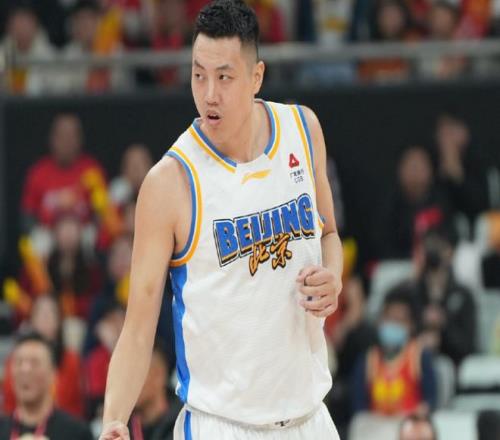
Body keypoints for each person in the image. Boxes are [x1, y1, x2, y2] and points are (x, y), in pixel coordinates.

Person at [99, 0, 343, 439]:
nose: (209, 93)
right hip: (222, 425)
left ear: (256, 77)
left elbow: (328, 234)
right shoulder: (169, 182)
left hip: (310, 418)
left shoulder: (304, 131)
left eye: (224, 77)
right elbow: (137, 329)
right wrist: (114, 419)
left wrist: (335, 278)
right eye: (199, 75)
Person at [351, 288, 437, 416]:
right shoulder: (368, 359)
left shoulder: (420, 356)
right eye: (389, 319)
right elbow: (358, 407)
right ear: (380, 321)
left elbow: (430, 401)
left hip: (408, 423)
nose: (393, 325)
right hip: (376, 425)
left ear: (411, 325)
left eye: (399, 320)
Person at [20, 113, 106, 232]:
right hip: (48, 235)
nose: (67, 142)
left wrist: (93, 231)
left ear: (80, 140)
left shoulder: (92, 170)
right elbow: (27, 214)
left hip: (83, 236)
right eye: (62, 136)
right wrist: (38, 234)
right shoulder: (38, 172)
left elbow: (102, 212)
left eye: (71, 136)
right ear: (52, 139)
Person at [3, 295, 85, 417]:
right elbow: (9, 405)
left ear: (59, 320)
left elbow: (76, 405)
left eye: (50, 312)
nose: (45, 317)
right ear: (31, 320)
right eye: (40, 312)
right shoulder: (16, 360)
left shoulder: (71, 360)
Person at [0, 331, 93, 439]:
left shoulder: (77, 433)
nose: (25, 370)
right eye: (19, 362)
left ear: (53, 375)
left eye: (34, 363)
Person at [409, 226, 476, 365]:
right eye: (428, 247)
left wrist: (444, 324)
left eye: (438, 246)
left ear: (450, 252)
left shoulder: (463, 295)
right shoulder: (412, 292)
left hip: (455, 364)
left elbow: (468, 347)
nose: (433, 253)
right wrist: (420, 334)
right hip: (415, 364)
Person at [130, 341, 182, 440]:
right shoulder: (122, 428)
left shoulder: (184, 422)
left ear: (158, 375)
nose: (128, 384)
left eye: (134, 375)